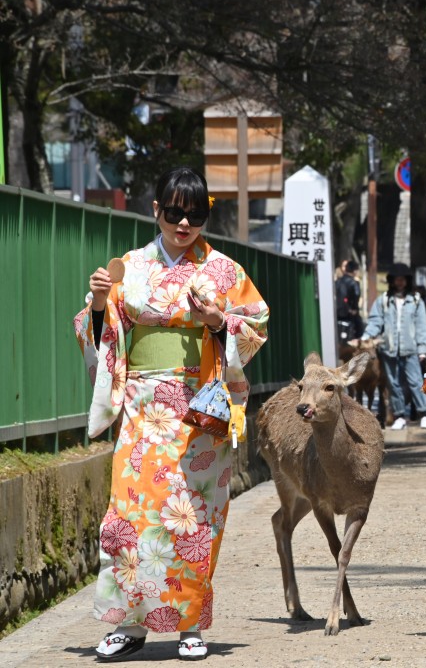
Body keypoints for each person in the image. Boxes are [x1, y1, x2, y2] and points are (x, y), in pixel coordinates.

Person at [74, 167, 269, 661]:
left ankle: (190, 625)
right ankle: (129, 624)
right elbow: (100, 334)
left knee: (196, 518)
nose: (185, 223)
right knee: (129, 516)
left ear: (207, 215)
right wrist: (99, 303)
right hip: (142, 408)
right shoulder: (130, 267)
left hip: (199, 407)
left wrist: (219, 320)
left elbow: (256, 323)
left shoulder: (224, 270)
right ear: (156, 210)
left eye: (196, 214)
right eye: (175, 212)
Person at [359, 263, 426, 430]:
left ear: (407, 281)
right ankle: (399, 416)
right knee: (393, 384)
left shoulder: (416, 300)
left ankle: (424, 414)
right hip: (388, 349)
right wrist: (367, 336)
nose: (400, 282)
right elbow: (375, 321)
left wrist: (422, 349)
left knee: (415, 382)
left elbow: (421, 325)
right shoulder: (383, 300)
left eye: (403, 279)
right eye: (397, 279)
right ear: (391, 281)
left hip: (411, 348)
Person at [335, 259, 363, 341]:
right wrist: (353, 309)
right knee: (359, 332)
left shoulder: (337, 282)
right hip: (350, 314)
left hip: (337, 314)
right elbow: (356, 295)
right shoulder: (354, 283)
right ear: (354, 271)